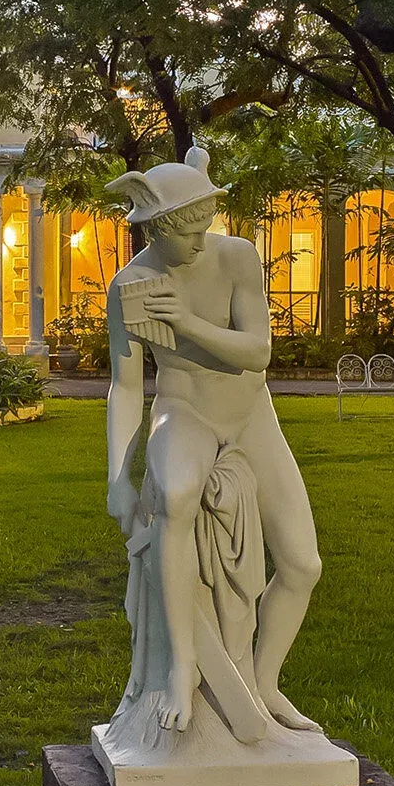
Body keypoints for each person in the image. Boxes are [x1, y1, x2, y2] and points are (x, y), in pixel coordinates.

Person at [103, 147, 326, 740]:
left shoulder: (236, 256)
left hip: (252, 416)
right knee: (175, 494)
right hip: (185, 411)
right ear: (156, 228)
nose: (201, 242)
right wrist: (116, 479)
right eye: (188, 233)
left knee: (303, 565)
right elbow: (126, 388)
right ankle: (180, 669)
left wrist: (185, 322)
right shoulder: (131, 285)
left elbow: (258, 352)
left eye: (206, 226)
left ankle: (264, 681)